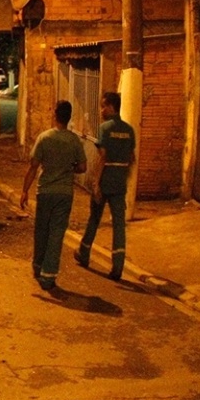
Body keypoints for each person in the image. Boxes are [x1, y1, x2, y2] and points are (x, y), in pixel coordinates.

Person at [20, 100, 86, 292]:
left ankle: (38, 266)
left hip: (45, 192)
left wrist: (24, 191)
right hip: (65, 193)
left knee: (42, 230)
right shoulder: (74, 141)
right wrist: (69, 167)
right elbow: (82, 167)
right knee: (57, 233)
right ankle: (49, 275)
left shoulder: (44, 138)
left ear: (55, 115)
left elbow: (33, 167)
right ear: (69, 117)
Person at [75, 90, 136, 280]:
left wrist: (96, 182)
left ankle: (84, 253)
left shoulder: (105, 128)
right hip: (119, 181)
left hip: (106, 179)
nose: (101, 110)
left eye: (103, 106)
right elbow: (132, 159)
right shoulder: (129, 130)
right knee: (119, 224)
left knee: (95, 218)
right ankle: (118, 266)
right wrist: (125, 177)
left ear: (111, 107)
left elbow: (102, 157)